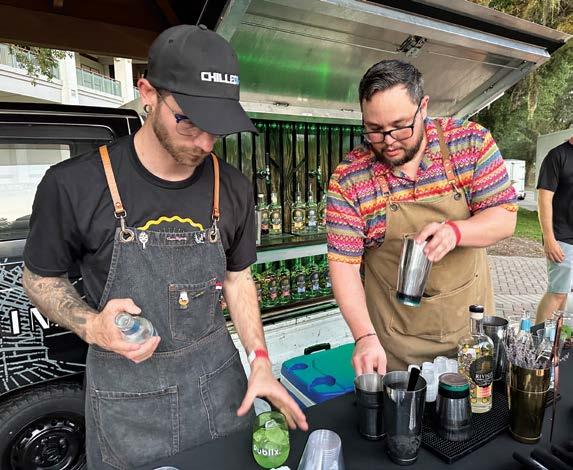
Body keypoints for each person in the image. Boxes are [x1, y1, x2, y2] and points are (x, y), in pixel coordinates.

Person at [22, 24, 307, 469]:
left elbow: (238, 279)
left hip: (220, 389)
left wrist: (261, 360)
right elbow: (40, 278)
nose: (205, 143)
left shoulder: (231, 186)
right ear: (148, 94)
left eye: (218, 128)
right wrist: (92, 325)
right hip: (127, 401)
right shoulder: (73, 184)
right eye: (189, 121)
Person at [326, 60, 517, 373]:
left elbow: (505, 217)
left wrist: (456, 232)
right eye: (374, 130)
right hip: (397, 347)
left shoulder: (469, 143)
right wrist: (364, 336)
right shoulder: (350, 179)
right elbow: (343, 266)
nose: (389, 141)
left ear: (423, 107)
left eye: (400, 126)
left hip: (471, 336)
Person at [536, 136, 573, 323]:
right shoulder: (558, 155)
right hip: (562, 236)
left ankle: (557, 339)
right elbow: (544, 199)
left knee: (564, 294)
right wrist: (549, 238)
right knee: (557, 293)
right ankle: (537, 338)